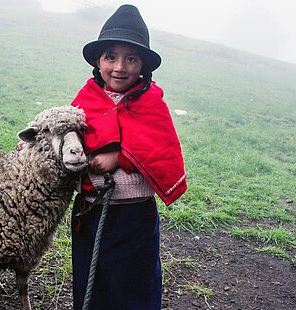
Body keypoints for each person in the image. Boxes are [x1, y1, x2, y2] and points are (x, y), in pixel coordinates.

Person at [70, 4, 187, 310]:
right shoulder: (87, 98)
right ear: (99, 60)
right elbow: (66, 132)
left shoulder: (151, 105)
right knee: (92, 283)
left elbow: (161, 151)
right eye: (111, 56)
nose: (120, 67)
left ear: (143, 65)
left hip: (133, 216)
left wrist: (119, 158)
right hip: (90, 210)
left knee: (133, 287)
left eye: (131, 59)